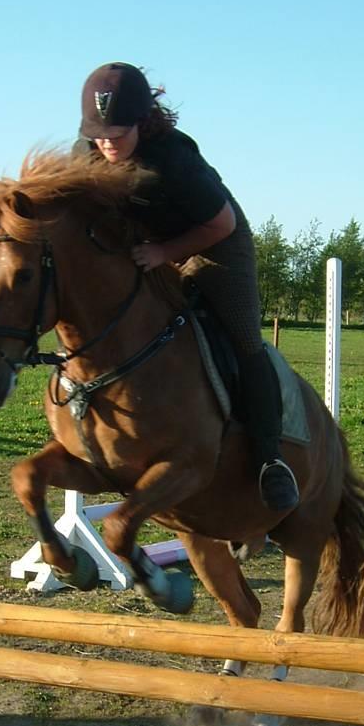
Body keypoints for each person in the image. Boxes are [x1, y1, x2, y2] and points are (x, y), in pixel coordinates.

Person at [75, 62, 299, 513]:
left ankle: (270, 459)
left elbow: (222, 223)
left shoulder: (174, 159)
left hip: (213, 245)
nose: (106, 142)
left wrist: (164, 253)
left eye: (116, 133)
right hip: (144, 244)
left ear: (142, 121)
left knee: (243, 341)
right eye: (99, 133)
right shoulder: (88, 151)